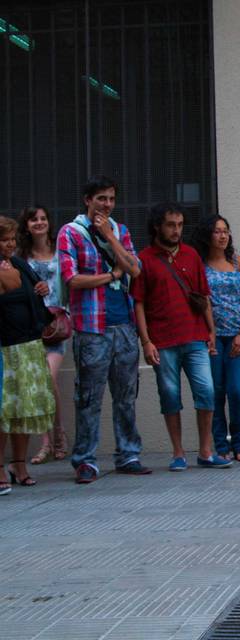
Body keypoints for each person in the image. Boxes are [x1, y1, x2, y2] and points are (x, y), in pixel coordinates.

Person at [59, 176, 150, 483]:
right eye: (101, 198)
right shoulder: (70, 233)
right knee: (89, 396)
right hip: (91, 327)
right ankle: (85, 460)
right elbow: (72, 279)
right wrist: (111, 273)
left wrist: (110, 237)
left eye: (111, 198)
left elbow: (135, 270)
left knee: (126, 394)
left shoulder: (120, 231)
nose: (107, 204)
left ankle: (128, 454)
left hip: (123, 324)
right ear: (88, 200)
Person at [132, 203, 229, 471]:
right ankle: (178, 453)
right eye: (171, 225)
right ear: (157, 227)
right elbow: (138, 303)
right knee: (170, 395)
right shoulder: (145, 259)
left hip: (195, 336)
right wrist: (146, 341)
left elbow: (203, 296)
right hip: (162, 340)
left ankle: (206, 451)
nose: (176, 230)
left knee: (207, 391)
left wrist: (211, 330)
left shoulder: (191, 255)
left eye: (180, 225)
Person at [191, 214, 240, 462]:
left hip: (238, 337)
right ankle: (221, 447)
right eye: (217, 231)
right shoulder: (200, 265)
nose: (222, 236)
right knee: (215, 392)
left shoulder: (239, 264)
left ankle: (239, 445)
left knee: (236, 390)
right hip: (212, 338)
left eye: (226, 231)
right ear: (208, 235)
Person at [0, 216, 56, 489]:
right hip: (5, 350)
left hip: (29, 345)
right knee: (4, 411)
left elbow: (37, 293)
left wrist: (41, 289)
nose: (9, 245)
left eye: (11, 239)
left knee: (23, 410)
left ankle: (18, 464)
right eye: (3, 240)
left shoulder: (20, 265)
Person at [17, 206, 69, 465]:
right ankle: (47, 443)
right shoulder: (20, 256)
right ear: (26, 226)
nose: (39, 223)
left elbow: (70, 281)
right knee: (38, 385)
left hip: (58, 324)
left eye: (43, 218)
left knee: (47, 379)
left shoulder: (61, 250)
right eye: (33, 219)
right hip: (32, 326)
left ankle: (59, 436)